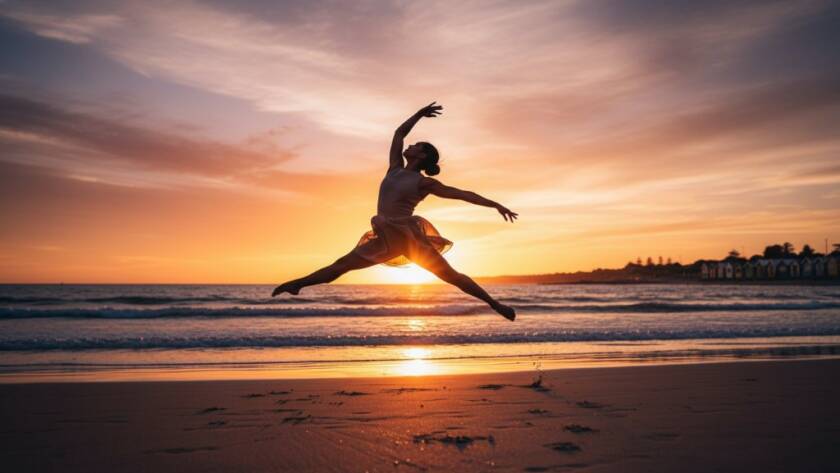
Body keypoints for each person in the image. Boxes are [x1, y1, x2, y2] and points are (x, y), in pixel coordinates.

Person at [272, 102, 518, 321]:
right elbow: (399, 133)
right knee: (341, 265)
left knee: (451, 276)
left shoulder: (424, 183)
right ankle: (298, 284)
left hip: (408, 237)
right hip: (385, 237)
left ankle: (496, 305)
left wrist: (495, 205)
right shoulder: (394, 168)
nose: (409, 145)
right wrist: (419, 114)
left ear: (422, 155)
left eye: (416, 145)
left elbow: (462, 194)